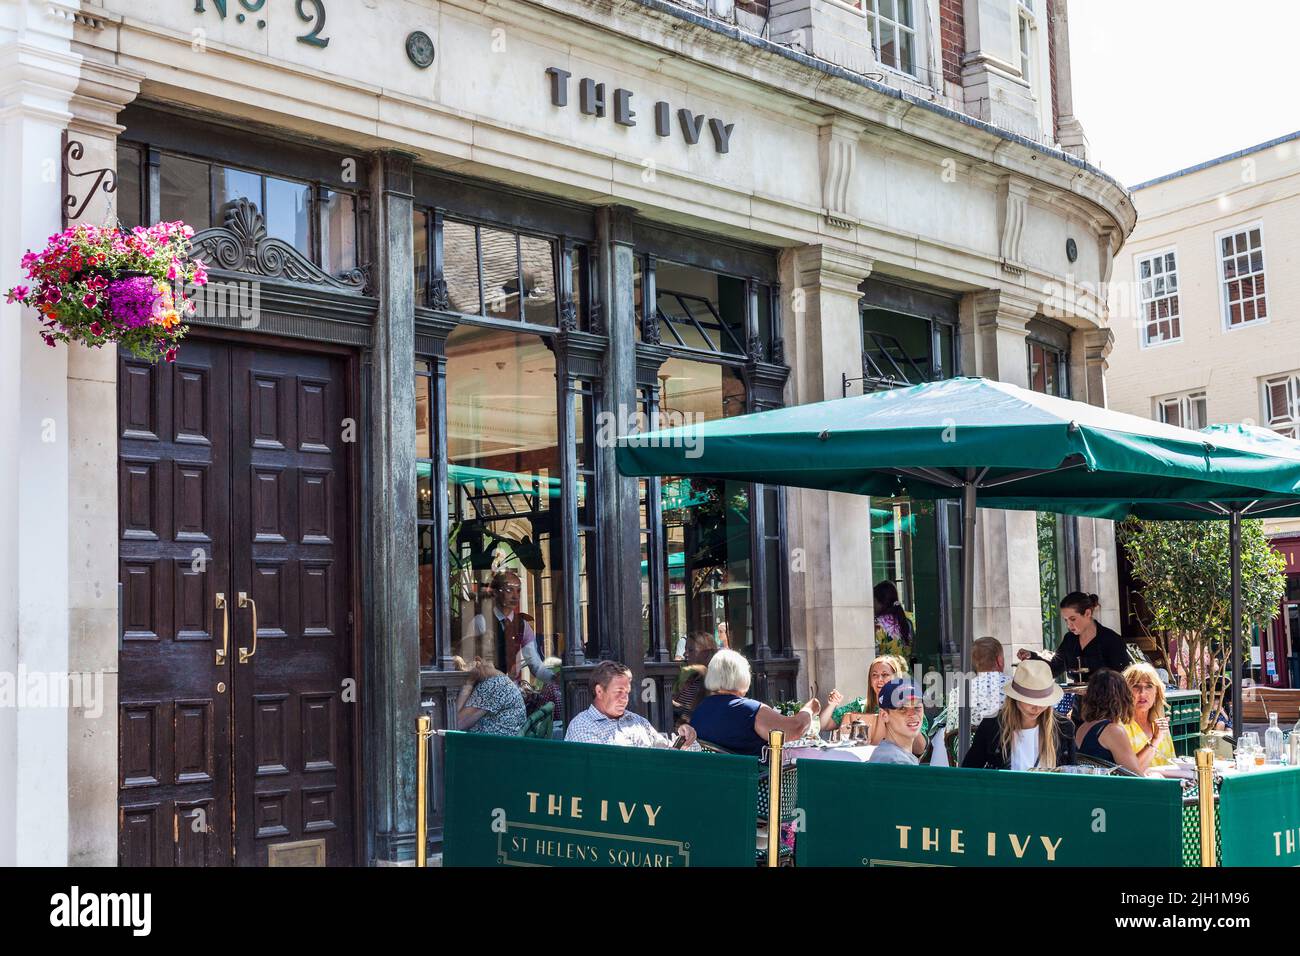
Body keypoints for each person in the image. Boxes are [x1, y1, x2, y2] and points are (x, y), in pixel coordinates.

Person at [690, 649, 819, 756]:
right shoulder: (749, 710)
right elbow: (795, 729)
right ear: (742, 676)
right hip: (755, 784)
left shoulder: (700, 710)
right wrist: (810, 708)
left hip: (716, 784)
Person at [961, 660, 1075, 770]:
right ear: (1015, 698)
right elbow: (968, 772)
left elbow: (1073, 777)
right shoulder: (992, 726)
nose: (1037, 707)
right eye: (1029, 700)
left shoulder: (1063, 728)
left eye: (1043, 702)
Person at [564, 660, 699, 749]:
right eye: (619, 692)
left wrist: (687, 738)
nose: (625, 698)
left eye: (627, 692)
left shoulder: (637, 721)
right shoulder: (583, 726)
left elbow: (669, 749)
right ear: (599, 691)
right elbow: (602, 773)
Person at [824, 654, 929, 756]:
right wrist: (832, 704)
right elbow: (824, 725)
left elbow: (920, 749)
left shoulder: (912, 707)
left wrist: (909, 720)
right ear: (870, 681)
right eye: (874, 675)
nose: (879, 679)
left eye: (885, 675)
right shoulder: (860, 705)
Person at [1017, 592, 1130, 681]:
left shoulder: (1111, 640)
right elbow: (1054, 668)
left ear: (1087, 613)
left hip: (1108, 706)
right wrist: (1032, 656)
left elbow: (1124, 677)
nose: (1069, 625)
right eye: (1066, 620)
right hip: (1079, 706)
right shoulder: (1069, 639)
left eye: (1073, 619)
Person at [477, 570, 554, 684]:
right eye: (509, 590)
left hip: (513, 689)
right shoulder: (481, 621)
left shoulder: (523, 626)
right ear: (495, 593)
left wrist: (555, 679)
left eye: (518, 591)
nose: (515, 596)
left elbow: (534, 663)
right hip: (486, 689)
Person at [1074, 669, 1146, 775]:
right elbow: (1136, 775)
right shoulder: (1113, 731)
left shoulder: (1083, 727)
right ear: (1123, 697)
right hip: (1111, 789)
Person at [1122, 662, 1176, 772]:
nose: (1142, 693)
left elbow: (1171, 762)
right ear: (1125, 691)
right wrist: (1154, 741)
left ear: (1157, 692)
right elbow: (1131, 773)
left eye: (1149, 686)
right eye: (1136, 686)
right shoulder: (1119, 726)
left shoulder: (1159, 723)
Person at [454, 657, 527, 737]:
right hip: (505, 740)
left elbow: (457, 723)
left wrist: (468, 684)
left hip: (494, 744)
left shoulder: (492, 685)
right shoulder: (501, 681)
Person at [868, 679, 925, 765]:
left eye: (917, 707)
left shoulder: (887, 753)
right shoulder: (898, 762)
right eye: (902, 708)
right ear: (884, 715)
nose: (912, 714)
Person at [873, 581, 913, 660]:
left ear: (880, 602)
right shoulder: (910, 618)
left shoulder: (878, 624)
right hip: (908, 671)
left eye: (874, 601)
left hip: (886, 671)